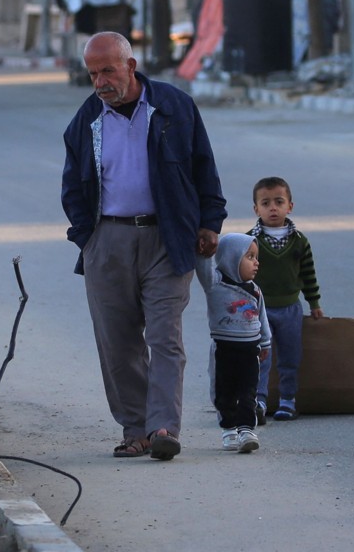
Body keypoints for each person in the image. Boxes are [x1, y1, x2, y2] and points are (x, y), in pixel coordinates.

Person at [62, 31, 227, 461]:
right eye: (93, 74)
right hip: (108, 240)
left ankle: (163, 427)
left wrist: (210, 223)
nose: (101, 82)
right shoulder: (86, 121)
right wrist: (88, 237)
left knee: (164, 336)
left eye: (108, 71)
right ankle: (134, 429)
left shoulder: (174, 107)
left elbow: (204, 169)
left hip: (167, 238)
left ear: (130, 66)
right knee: (118, 342)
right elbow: (72, 186)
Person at [248, 176, 323, 423]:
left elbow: (308, 274)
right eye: (265, 202)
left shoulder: (299, 241)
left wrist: (314, 303)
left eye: (279, 202)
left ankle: (287, 401)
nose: (273, 208)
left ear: (290, 206)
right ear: (255, 208)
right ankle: (258, 401)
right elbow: (241, 275)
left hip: (290, 309)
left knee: (290, 356)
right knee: (259, 356)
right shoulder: (250, 241)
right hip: (259, 309)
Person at [196, 232, 270, 453]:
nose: (256, 262)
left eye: (256, 257)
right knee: (223, 391)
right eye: (249, 257)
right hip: (224, 349)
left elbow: (262, 317)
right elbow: (203, 267)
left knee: (248, 392)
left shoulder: (255, 290)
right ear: (231, 258)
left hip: (250, 350)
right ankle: (229, 429)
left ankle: (247, 430)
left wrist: (265, 343)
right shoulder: (215, 283)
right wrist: (205, 250)